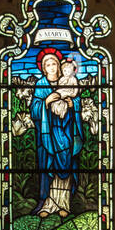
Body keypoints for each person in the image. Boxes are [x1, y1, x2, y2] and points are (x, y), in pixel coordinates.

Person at [28, 49, 84, 218]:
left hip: (67, 132)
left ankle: (64, 204)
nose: (51, 67)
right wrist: (46, 102)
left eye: (54, 63)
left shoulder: (66, 81)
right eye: (48, 64)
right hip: (47, 136)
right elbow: (34, 110)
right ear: (44, 69)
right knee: (48, 167)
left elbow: (76, 101)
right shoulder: (41, 85)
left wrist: (72, 104)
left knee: (67, 164)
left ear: (59, 66)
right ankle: (47, 204)